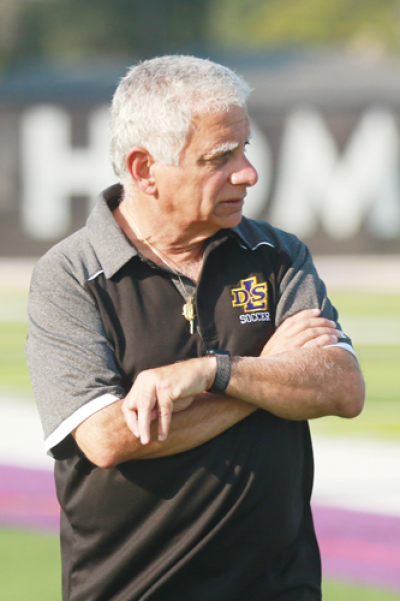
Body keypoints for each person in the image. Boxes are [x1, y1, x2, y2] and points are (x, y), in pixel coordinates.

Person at [26, 55, 365, 601]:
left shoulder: (276, 254)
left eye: (246, 148)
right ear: (143, 170)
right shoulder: (70, 276)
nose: (248, 172)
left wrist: (212, 372)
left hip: (280, 587)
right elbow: (108, 437)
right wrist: (269, 379)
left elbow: (343, 389)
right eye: (220, 157)